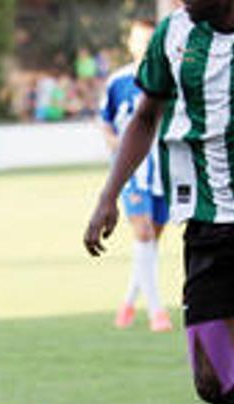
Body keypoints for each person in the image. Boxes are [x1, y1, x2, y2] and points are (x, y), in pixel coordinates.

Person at [85, 0, 234, 404]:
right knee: (212, 379)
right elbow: (146, 116)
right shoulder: (173, 35)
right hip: (207, 221)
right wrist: (107, 195)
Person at [97, 18, 172, 332]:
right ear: (130, 42)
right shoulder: (119, 80)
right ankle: (157, 312)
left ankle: (128, 302)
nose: (143, 43)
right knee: (141, 234)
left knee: (150, 242)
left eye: (148, 38)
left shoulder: (168, 75)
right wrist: (114, 145)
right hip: (132, 173)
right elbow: (105, 120)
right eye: (138, 38)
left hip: (162, 169)